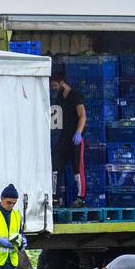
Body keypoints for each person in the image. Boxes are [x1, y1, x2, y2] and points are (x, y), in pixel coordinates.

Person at [49, 71, 87, 208]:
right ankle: (54, 196)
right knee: (55, 165)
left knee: (77, 168)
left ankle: (81, 198)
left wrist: (78, 133)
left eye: (54, 84)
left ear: (62, 83)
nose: (53, 87)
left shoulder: (75, 96)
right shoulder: (59, 97)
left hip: (74, 138)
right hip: (63, 137)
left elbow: (82, 115)